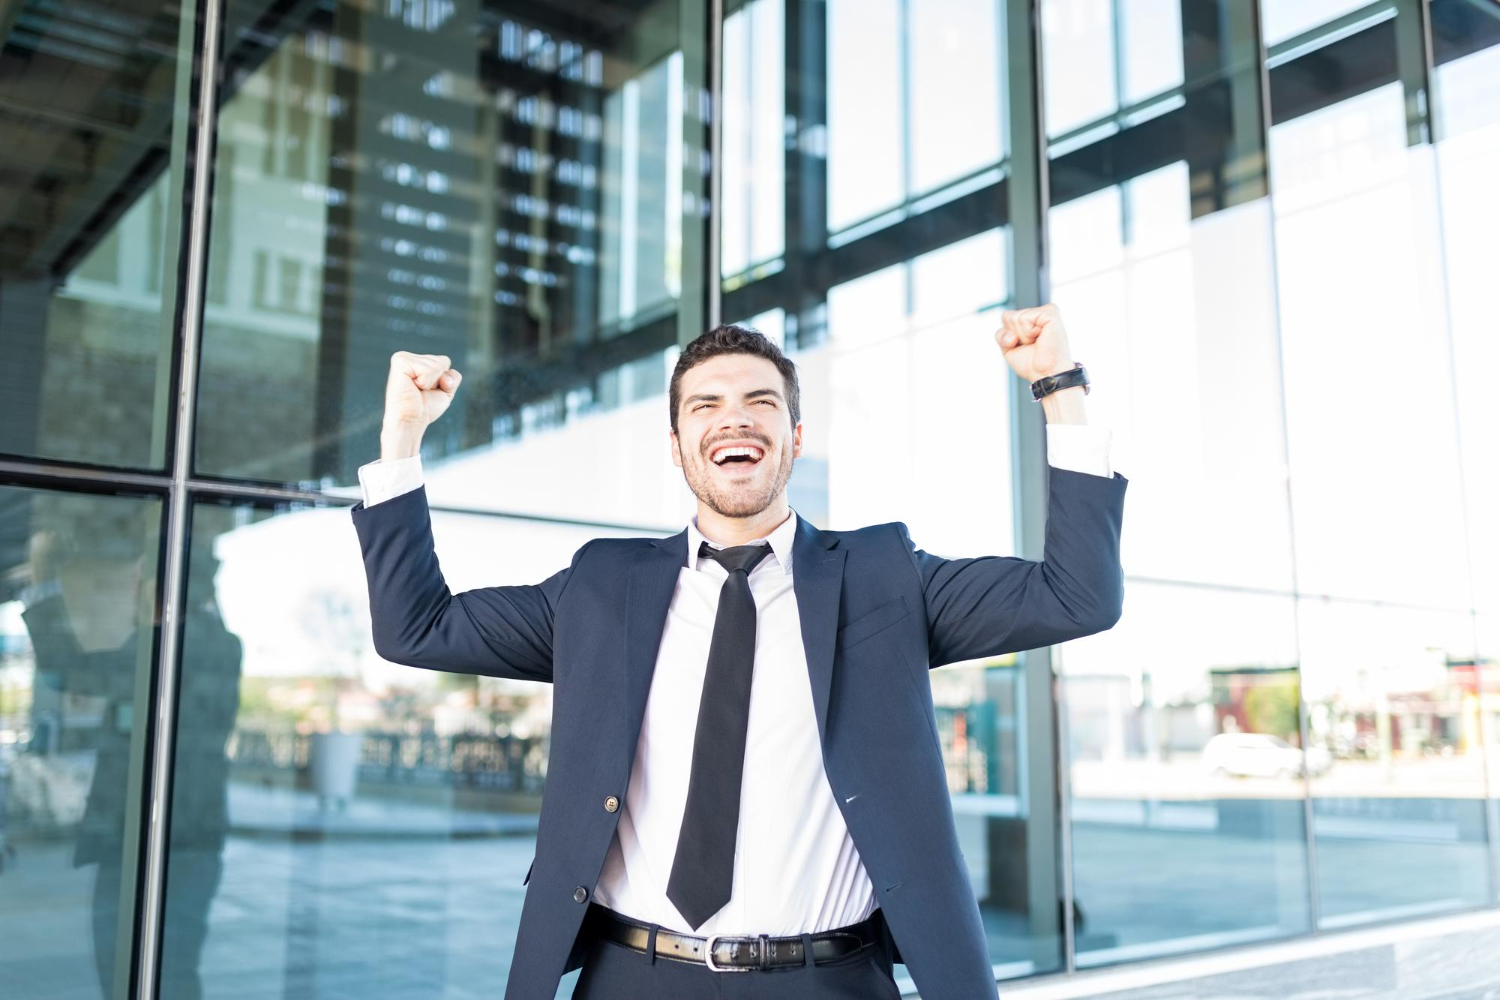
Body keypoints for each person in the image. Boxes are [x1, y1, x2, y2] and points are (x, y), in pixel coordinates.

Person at [349, 304, 1127, 999]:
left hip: (830, 980)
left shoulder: (887, 577)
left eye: (762, 402)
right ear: (679, 442)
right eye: (707, 404)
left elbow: (1077, 596)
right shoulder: (598, 586)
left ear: (792, 438)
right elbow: (416, 626)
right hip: (634, 978)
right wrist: (401, 440)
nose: (735, 419)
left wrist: (1061, 386)